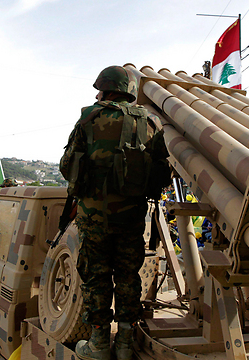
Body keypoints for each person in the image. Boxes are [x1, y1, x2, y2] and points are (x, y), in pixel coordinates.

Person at [60, 65, 171, 360]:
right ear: (129, 91)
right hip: (133, 214)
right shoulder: (152, 122)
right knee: (127, 274)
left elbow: (67, 165)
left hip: (93, 214)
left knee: (95, 274)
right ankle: (123, 343)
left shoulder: (89, 117)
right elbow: (163, 171)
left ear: (105, 88)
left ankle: (97, 344)